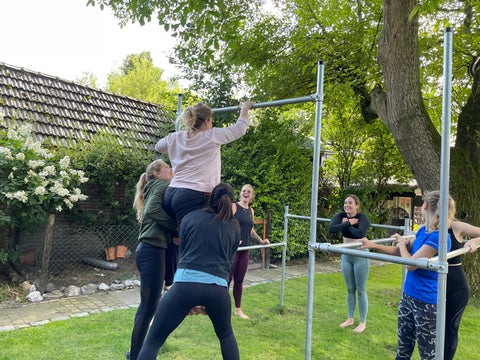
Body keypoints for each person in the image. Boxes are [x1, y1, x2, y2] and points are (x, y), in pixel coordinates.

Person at [137, 183, 242, 360]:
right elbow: (229, 264)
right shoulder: (235, 227)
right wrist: (209, 300)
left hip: (185, 287)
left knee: (153, 342)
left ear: (210, 198)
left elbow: (183, 253)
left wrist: (188, 300)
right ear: (231, 202)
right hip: (218, 291)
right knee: (226, 336)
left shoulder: (190, 218)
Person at [359, 191, 456, 360]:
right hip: (408, 297)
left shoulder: (439, 237)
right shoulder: (422, 231)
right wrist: (372, 245)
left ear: (425, 206)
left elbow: (411, 264)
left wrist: (403, 243)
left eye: (421, 204)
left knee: (428, 355)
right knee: (402, 350)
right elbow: (399, 251)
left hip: (427, 304)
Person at [155, 101, 254, 225]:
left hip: (171, 194)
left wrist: (175, 145)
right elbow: (239, 129)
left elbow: (158, 147)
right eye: (211, 121)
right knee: (193, 239)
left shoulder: (175, 137)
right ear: (207, 121)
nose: (211, 125)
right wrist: (245, 109)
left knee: (178, 239)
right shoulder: (211, 136)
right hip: (191, 196)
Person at [127, 160, 178, 360]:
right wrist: (176, 227)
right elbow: (152, 212)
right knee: (148, 309)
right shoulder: (162, 185)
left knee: (147, 307)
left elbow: (155, 216)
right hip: (151, 251)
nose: (171, 169)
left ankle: (135, 352)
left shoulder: (155, 186)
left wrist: (169, 233)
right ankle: (136, 356)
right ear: (158, 173)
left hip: (151, 250)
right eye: (167, 167)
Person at [328, 194, 371, 333]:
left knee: (361, 289)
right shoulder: (341, 216)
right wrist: (347, 223)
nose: (347, 205)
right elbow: (331, 229)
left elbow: (361, 233)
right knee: (350, 289)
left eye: (350, 203)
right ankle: (350, 318)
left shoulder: (362, 218)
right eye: (346, 202)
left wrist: (345, 226)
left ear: (357, 205)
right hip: (346, 256)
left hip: (360, 255)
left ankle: (362, 322)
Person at [228, 184, 270, 320]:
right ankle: (220, 307)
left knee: (239, 280)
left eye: (249, 192)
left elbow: (250, 231)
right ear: (240, 193)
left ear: (252, 196)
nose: (246, 193)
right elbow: (225, 225)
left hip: (245, 250)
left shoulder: (251, 211)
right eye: (244, 191)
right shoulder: (233, 207)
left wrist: (261, 241)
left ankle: (238, 310)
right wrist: (234, 239)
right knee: (226, 279)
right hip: (232, 249)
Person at [444, 220, 480, 360]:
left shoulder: (455, 226)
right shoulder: (427, 227)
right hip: (433, 284)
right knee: (431, 328)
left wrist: (473, 242)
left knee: (451, 329)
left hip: (456, 287)